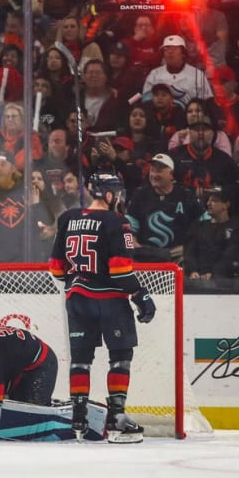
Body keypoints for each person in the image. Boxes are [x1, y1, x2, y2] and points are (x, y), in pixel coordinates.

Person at [48, 172, 156, 443]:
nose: (119, 198)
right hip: (109, 302)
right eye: (117, 193)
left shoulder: (67, 218)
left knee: (81, 360)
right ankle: (117, 418)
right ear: (109, 195)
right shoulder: (118, 222)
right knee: (120, 355)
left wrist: (79, 279)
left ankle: (78, 418)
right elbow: (120, 272)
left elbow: (56, 269)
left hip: (76, 300)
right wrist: (140, 294)